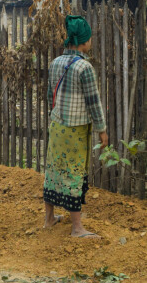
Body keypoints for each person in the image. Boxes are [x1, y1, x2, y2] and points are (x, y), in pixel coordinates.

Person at [43, 15, 108, 238]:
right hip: (75, 130)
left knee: (54, 169)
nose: (91, 42)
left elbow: (50, 93)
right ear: (83, 41)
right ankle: (77, 228)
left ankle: (49, 219)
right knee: (74, 173)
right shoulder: (84, 67)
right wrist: (102, 130)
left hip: (57, 125)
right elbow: (94, 102)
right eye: (89, 39)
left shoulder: (55, 63)